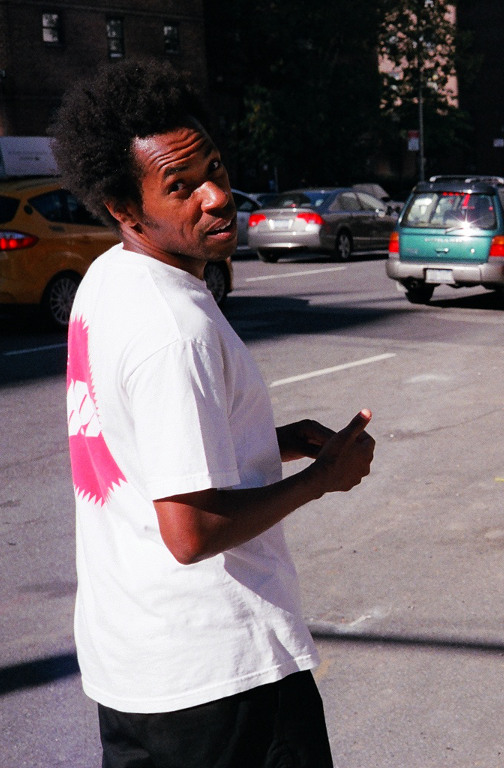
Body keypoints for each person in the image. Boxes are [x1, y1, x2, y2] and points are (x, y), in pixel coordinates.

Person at [52, 59, 374, 768]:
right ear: (124, 209)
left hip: (134, 669)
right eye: (181, 186)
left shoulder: (110, 279)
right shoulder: (175, 329)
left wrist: (275, 439)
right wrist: (322, 478)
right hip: (223, 677)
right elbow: (191, 533)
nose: (218, 195)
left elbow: (143, 447)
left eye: (216, 168)